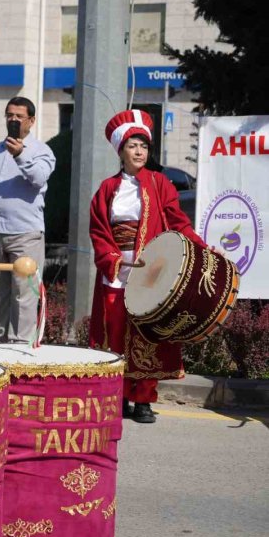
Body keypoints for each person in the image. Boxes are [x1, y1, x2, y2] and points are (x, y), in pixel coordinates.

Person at [88, 109, 208, 424]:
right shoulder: (106, 189)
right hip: (117, 272)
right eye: (133, 145)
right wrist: (116, 259)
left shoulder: (160, 184)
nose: (140, 151)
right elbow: (99, 233)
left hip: (152, 274)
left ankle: (143, 399)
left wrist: (203, 248)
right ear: (121, 150)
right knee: (116, 335)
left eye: (144, 145)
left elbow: (179, 223)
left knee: (149, 335)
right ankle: (120, 396)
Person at [0, 97, 55, 343]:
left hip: (25, 233)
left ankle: (21, 343)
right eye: (9, 115)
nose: (13, 119)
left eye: (19, 116)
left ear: (31, 121)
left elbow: (39, 178)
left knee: (24, 292)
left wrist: (20, 155)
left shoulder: (42, 150)